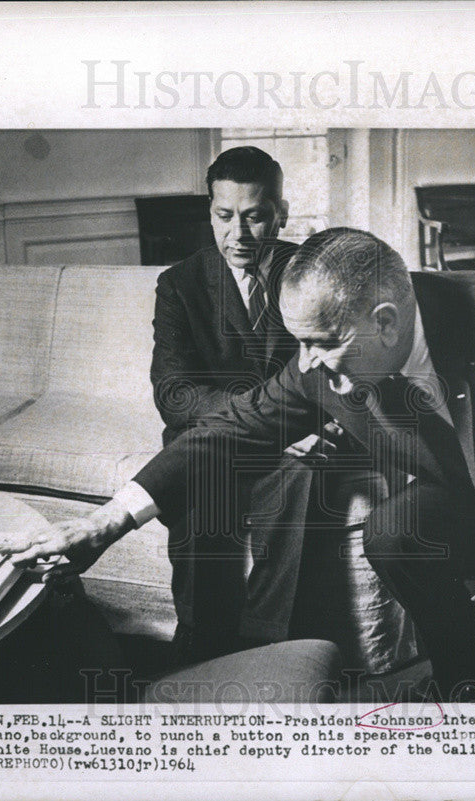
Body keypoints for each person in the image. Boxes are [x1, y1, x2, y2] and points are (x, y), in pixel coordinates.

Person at [0, 228, 475, 701]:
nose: (309, 364)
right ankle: (474, 689)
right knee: (393, 532)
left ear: (385, 321)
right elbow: (227, 433)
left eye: (322, 341)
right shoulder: (323, 364)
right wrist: (101, 523)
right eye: (299, 345)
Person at [147, 146, 339, 664]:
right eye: (224, 216)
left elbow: (331, 369)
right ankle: (200, 650)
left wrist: (294, 425)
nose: (239, 235)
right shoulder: (179, 285)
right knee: (200, 487)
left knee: (304, 479)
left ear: (281, 214)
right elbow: (174, 393)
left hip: (293, 444)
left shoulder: (313, 273)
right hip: (213, 436)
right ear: (209, 211)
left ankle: (269, 650)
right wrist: (269, 419)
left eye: (255, 217)